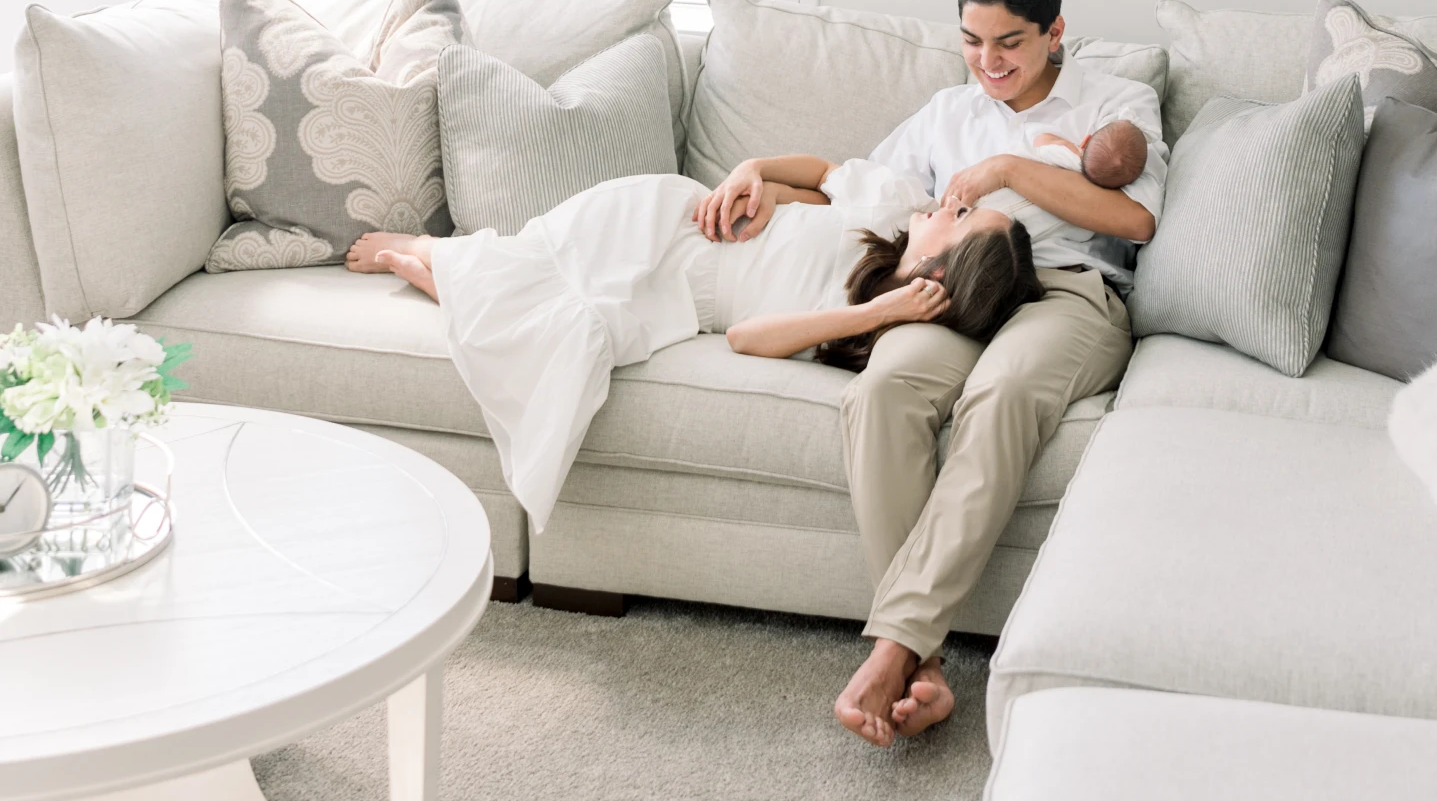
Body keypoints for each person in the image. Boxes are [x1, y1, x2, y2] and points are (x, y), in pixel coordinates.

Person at [822, 0, 1165, 745]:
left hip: (1067, 289)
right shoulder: (946, 113)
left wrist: (1008, 168)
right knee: (882, 389)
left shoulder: (1118, 103)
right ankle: (927, 666)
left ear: (1055, 33)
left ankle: (892, 649)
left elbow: (1136, 220)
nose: (989, 61)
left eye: (1009, 42)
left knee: (1000, 393)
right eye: (972, 41)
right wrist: (763, 177)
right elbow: (864, 189)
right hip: (960, 290)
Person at [346, 157, 1045, 541]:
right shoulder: (893, 209)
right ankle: (430, 252)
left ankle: (438, 268)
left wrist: (877, 310)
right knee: (539, 270)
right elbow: (822, 174)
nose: (949, 201)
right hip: (670, 222)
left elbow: (746, 337)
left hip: (685, 293)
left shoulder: (872, 326)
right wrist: (756, 173)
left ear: (940, 274)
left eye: (960, 217)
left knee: (580, 334)